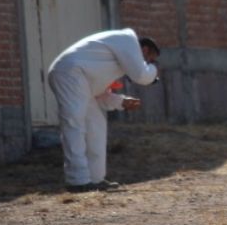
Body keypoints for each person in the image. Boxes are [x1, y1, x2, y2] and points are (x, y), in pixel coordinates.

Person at [48, 29, 159, 193]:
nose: (148, 62)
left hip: (81, 77)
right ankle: (77, 181)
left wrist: (121, 101)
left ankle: (95, 178)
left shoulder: (113, 57)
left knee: (96, 126)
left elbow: (101, 95)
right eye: (149, 59)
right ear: (144, 50)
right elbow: (141, 75)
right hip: (69, 73)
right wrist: (153, 71)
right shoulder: (127, 40)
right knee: (74, 123)